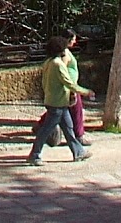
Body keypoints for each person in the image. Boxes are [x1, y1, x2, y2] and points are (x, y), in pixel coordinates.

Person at [26, 34, 91, 164]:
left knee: (69, 128)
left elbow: (44, 82)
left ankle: (78, 152)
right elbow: (68, 82)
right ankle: (34, 155)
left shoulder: (48, 63)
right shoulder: (58, 64)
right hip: (57, 103)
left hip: (56, 101)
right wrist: (85, 92)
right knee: (45, 131)